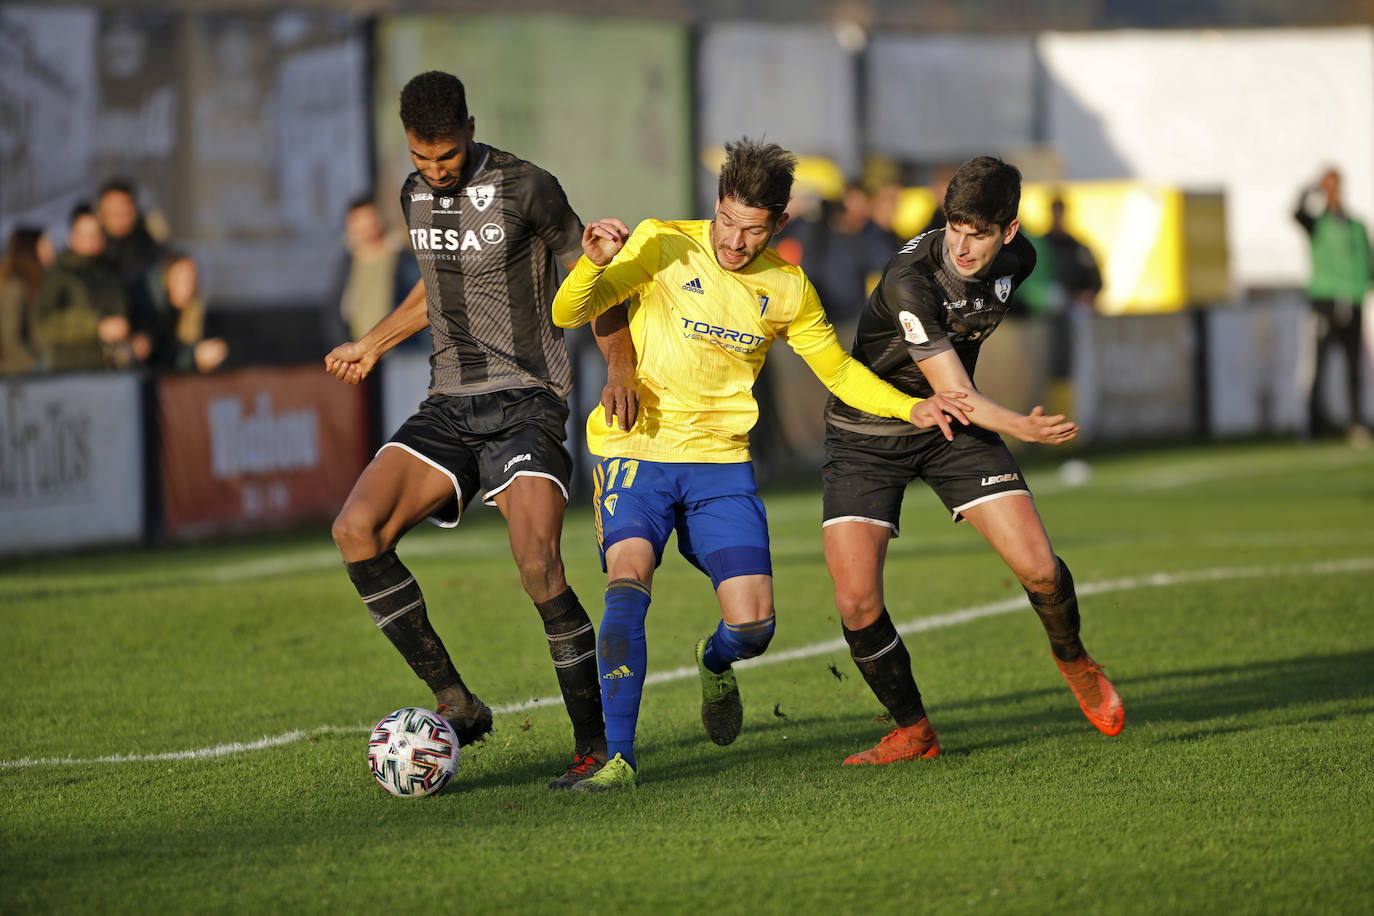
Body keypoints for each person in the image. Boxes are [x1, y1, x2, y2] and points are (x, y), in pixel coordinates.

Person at [549, 138, 971, 792]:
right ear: (715, 206)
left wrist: (908, 408)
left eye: (752, 230)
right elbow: (567, 311)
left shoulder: (786, 286)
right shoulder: (662, 242)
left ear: (777, 224)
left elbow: (837, 371)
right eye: (726, 221)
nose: (734, 241)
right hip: (636, 451)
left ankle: (713, 662)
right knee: (627, 580)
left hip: (720, 466)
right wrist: (592, 263)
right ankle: (620, 759)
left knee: (754, 625)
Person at [324, 71, 636, 790]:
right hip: (449, 402)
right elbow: (434, 285)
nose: (434, 172)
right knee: (356, 531)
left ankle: (596, 749)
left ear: (469, 127)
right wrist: (374, 341)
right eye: (421, 158)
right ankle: (454, 699)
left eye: (446, 156)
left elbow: (594, 281)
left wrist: (619, 369)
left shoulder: (529, 187)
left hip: (526, 399)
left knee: (538, 567)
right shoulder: (411, 196)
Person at [821, 156, 1124, 766]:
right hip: (868, 432)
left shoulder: (1022, 261)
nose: (961, 244)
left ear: (1007, 232)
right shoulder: (911, 277)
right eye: (954, 226)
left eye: (978, 232)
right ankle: (912, 730)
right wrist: (1021, 426)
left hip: (952, 429)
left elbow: (955, 398)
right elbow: (955, 388)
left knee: (1039, 567)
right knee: (856, 602)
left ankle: (1076, 663)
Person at [1294, 167, 1372, 444]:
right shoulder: (1318, 223)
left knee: (1354, 366)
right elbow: (1296, 213)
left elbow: (1367, 262)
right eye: (1327, 186)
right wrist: (1308, 190)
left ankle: (1356, 423)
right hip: (1324, 301)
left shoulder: (1356, 226)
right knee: (1320, 365)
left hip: (1351, 300)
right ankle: (1314, 427)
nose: (1333, 191)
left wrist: (1364, 289)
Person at [35, 205, 133, 371]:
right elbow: (44, 324)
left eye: (95, 233)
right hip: (71, 369)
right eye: (84, 234)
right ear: (71, 236)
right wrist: (96, 327)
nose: (90, 240)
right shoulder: (61, 272)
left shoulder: (111, 270)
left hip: (111, 368)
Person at [333, 195, 422, 344]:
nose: (365, 226)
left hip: (399, 351)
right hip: (358, 350)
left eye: (368, 218)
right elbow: (337, 310)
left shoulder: (403, 261)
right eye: (358, 220)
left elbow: (418, 304)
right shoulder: (347, 262)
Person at [129, 251, 229, 373]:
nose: (188, 286)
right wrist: (194, 356)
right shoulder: (146, 309)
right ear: (166, 279)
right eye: (181, 279)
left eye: (192, 279)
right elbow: (156, 359)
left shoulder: (193, 309)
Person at [96, 179, 165, 294]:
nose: (119, 216)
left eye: (124, 210)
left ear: (134, 211)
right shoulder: (92, 249)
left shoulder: (151, 249)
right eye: (113, 211)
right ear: (101, 212)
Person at [0, 227, 49, 375]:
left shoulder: (36, 284)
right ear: (30, 250)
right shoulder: (14, 287)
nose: (50, 248)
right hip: (21, 378)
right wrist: (36, 366)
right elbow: (10, 339)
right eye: (44, 244)